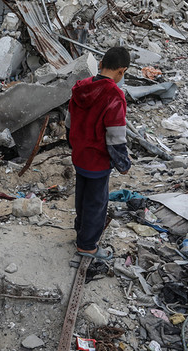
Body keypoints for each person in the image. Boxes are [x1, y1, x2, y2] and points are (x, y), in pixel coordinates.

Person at [67, 46, 131, 261]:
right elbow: (115, 136)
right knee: (96, 203)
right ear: (122, 71)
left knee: (82, 197)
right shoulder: (114, 96)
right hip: (98, 160)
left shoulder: (80, 88)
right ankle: (87, 246)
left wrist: (74, 146)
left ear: (101, 64)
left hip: (80, 155)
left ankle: (80, 232)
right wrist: (123, 164)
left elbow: (69, 122)